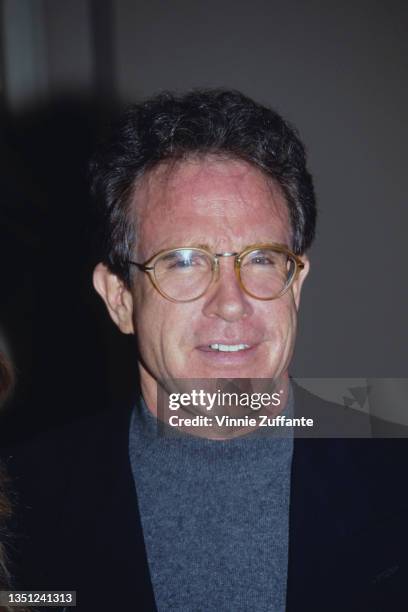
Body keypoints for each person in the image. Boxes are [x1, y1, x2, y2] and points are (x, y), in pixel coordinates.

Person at [2, 90, 407, 611]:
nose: (232, 304)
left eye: (261, 258)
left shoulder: (396, 471)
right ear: (120, 299)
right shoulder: (21, 505)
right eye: (186, 261)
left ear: (296, 284)